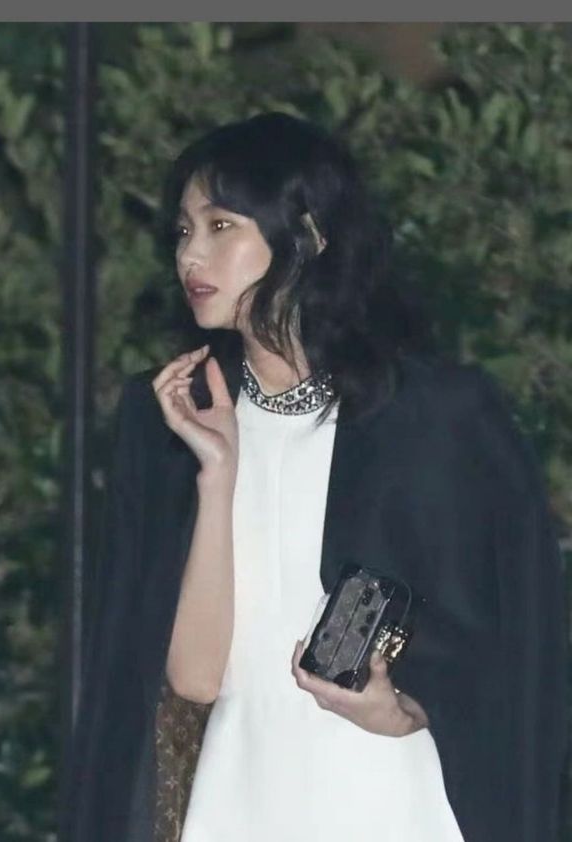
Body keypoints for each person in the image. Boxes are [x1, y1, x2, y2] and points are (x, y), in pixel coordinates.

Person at [66, 113, 567, 842]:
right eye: (183, 231)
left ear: (306, 235)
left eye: (222, 226)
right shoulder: (171, 418)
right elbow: (195, 679)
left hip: (392, 794)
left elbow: (512, 647)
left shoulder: (433, 414)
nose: (191, 255)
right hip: (238, 796)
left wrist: (405, 708)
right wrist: (216, 472)